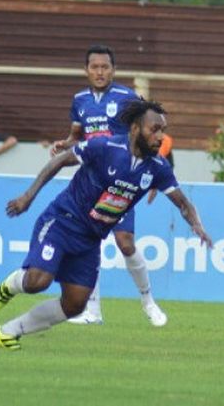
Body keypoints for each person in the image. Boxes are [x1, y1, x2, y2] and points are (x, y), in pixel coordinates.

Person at [0, 99, 212, 350]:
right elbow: (61, 160)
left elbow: (183, 203)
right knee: (36, 282)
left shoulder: (158, 168)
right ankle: (11, 285)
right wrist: (28, 196)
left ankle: (8, 332)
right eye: (154, 129)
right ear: (136, 129)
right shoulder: (105, 146)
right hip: (63, 221)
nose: (160, 136)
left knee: (75, 304)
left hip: (90, 239)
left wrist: (197, 225)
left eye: (163, 130)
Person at [50, 44, 167, 326]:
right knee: (88, 242)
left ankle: (148, 301)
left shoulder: (127, 97)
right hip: (90, 184)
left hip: (122, 181)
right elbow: (77, 134)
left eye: (105, 67)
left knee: (125, 243)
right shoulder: (79, 100)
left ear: (113, 70)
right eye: (95, 67)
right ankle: (92, 311)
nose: (100, 72)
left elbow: (153, 130)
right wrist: (65, 144)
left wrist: (157, 170)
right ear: (87, 70)